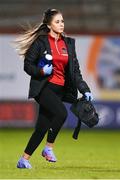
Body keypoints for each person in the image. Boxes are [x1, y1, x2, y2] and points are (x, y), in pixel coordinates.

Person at [16, 8, 93, 169]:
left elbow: (75, 71)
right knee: (61, 113)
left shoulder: (68, 44)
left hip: (60, 90)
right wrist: (42, 71)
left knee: (42, 127)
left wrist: (85, 89)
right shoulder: (41, 42)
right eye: (57, 21)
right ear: (49, 25)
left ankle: (23, 160)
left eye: (62, 21)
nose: (61, 24)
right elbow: (28, 65)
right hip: (45, 88)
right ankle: (48, 148)